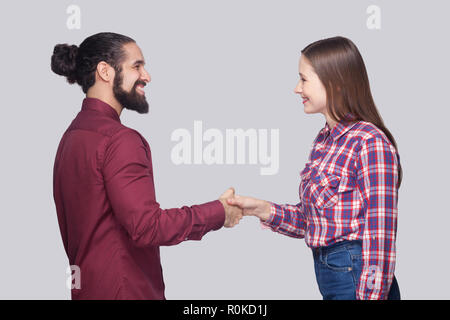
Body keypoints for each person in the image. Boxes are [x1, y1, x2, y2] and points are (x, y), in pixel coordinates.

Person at [51, 32, 242, 300]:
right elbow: (147, 227)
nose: (146, 76)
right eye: (136, 66)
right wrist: (219, 212)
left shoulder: (72, 136)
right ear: (105, 71)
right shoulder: (120, 140)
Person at [228, 36, 402, 300]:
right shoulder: (324, 141)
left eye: (304, 79)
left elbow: (381, 234)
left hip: (359, 281)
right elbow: (314, 223)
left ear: (336, 83)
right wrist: (260, 209)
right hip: (333, 277)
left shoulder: (369, 142)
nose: (297, 88)